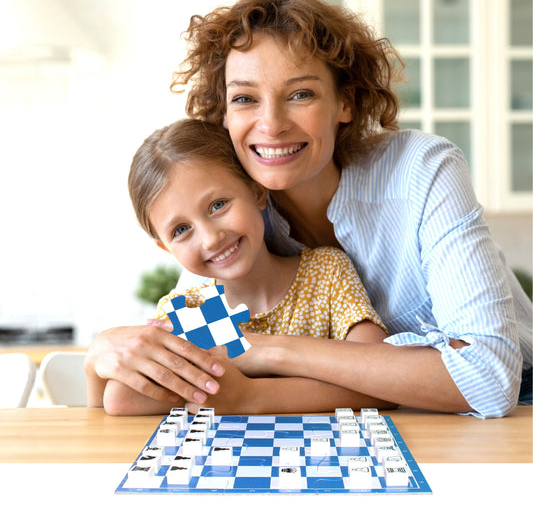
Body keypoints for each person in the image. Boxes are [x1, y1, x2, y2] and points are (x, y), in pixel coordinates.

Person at [86, 0, 532, 418]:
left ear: (346, 102)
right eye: (244, 98)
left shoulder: (422, 170)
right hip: (379, 419)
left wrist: (260, 352)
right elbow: (171, 366)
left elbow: (488, 380)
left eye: (300, 94)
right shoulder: (229, 216)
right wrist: (102, 353)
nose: (272, 124)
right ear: (224, 114)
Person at [93, 117, 393, 415]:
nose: (211, 239)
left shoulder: (326, 274)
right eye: (181, 230)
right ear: (166, 248)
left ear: (257, 193)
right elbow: (122, 399)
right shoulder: (187, 310)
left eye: (218, 205)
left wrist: (250, 391)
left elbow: (382, 373)